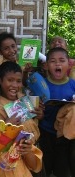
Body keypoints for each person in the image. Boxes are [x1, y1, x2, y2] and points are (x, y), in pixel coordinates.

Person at [38, 47, 75, 177]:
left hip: (65, 136)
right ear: (47, 65)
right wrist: (39, 113)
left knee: (63, 170)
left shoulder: (73, 85)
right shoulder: (41, 84)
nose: (57, 64)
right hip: (45, 133)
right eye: (53, 61)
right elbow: (34, 109)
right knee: (44, 168)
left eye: (62, 60)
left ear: (68, 64)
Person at [0, 61, 43, 144]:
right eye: (10, 80)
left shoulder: (23, 97)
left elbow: (33, 122)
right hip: (14, 151)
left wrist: (39, 114)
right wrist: (7, 125)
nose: (15, 85)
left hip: (32, 147)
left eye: (18, 81)